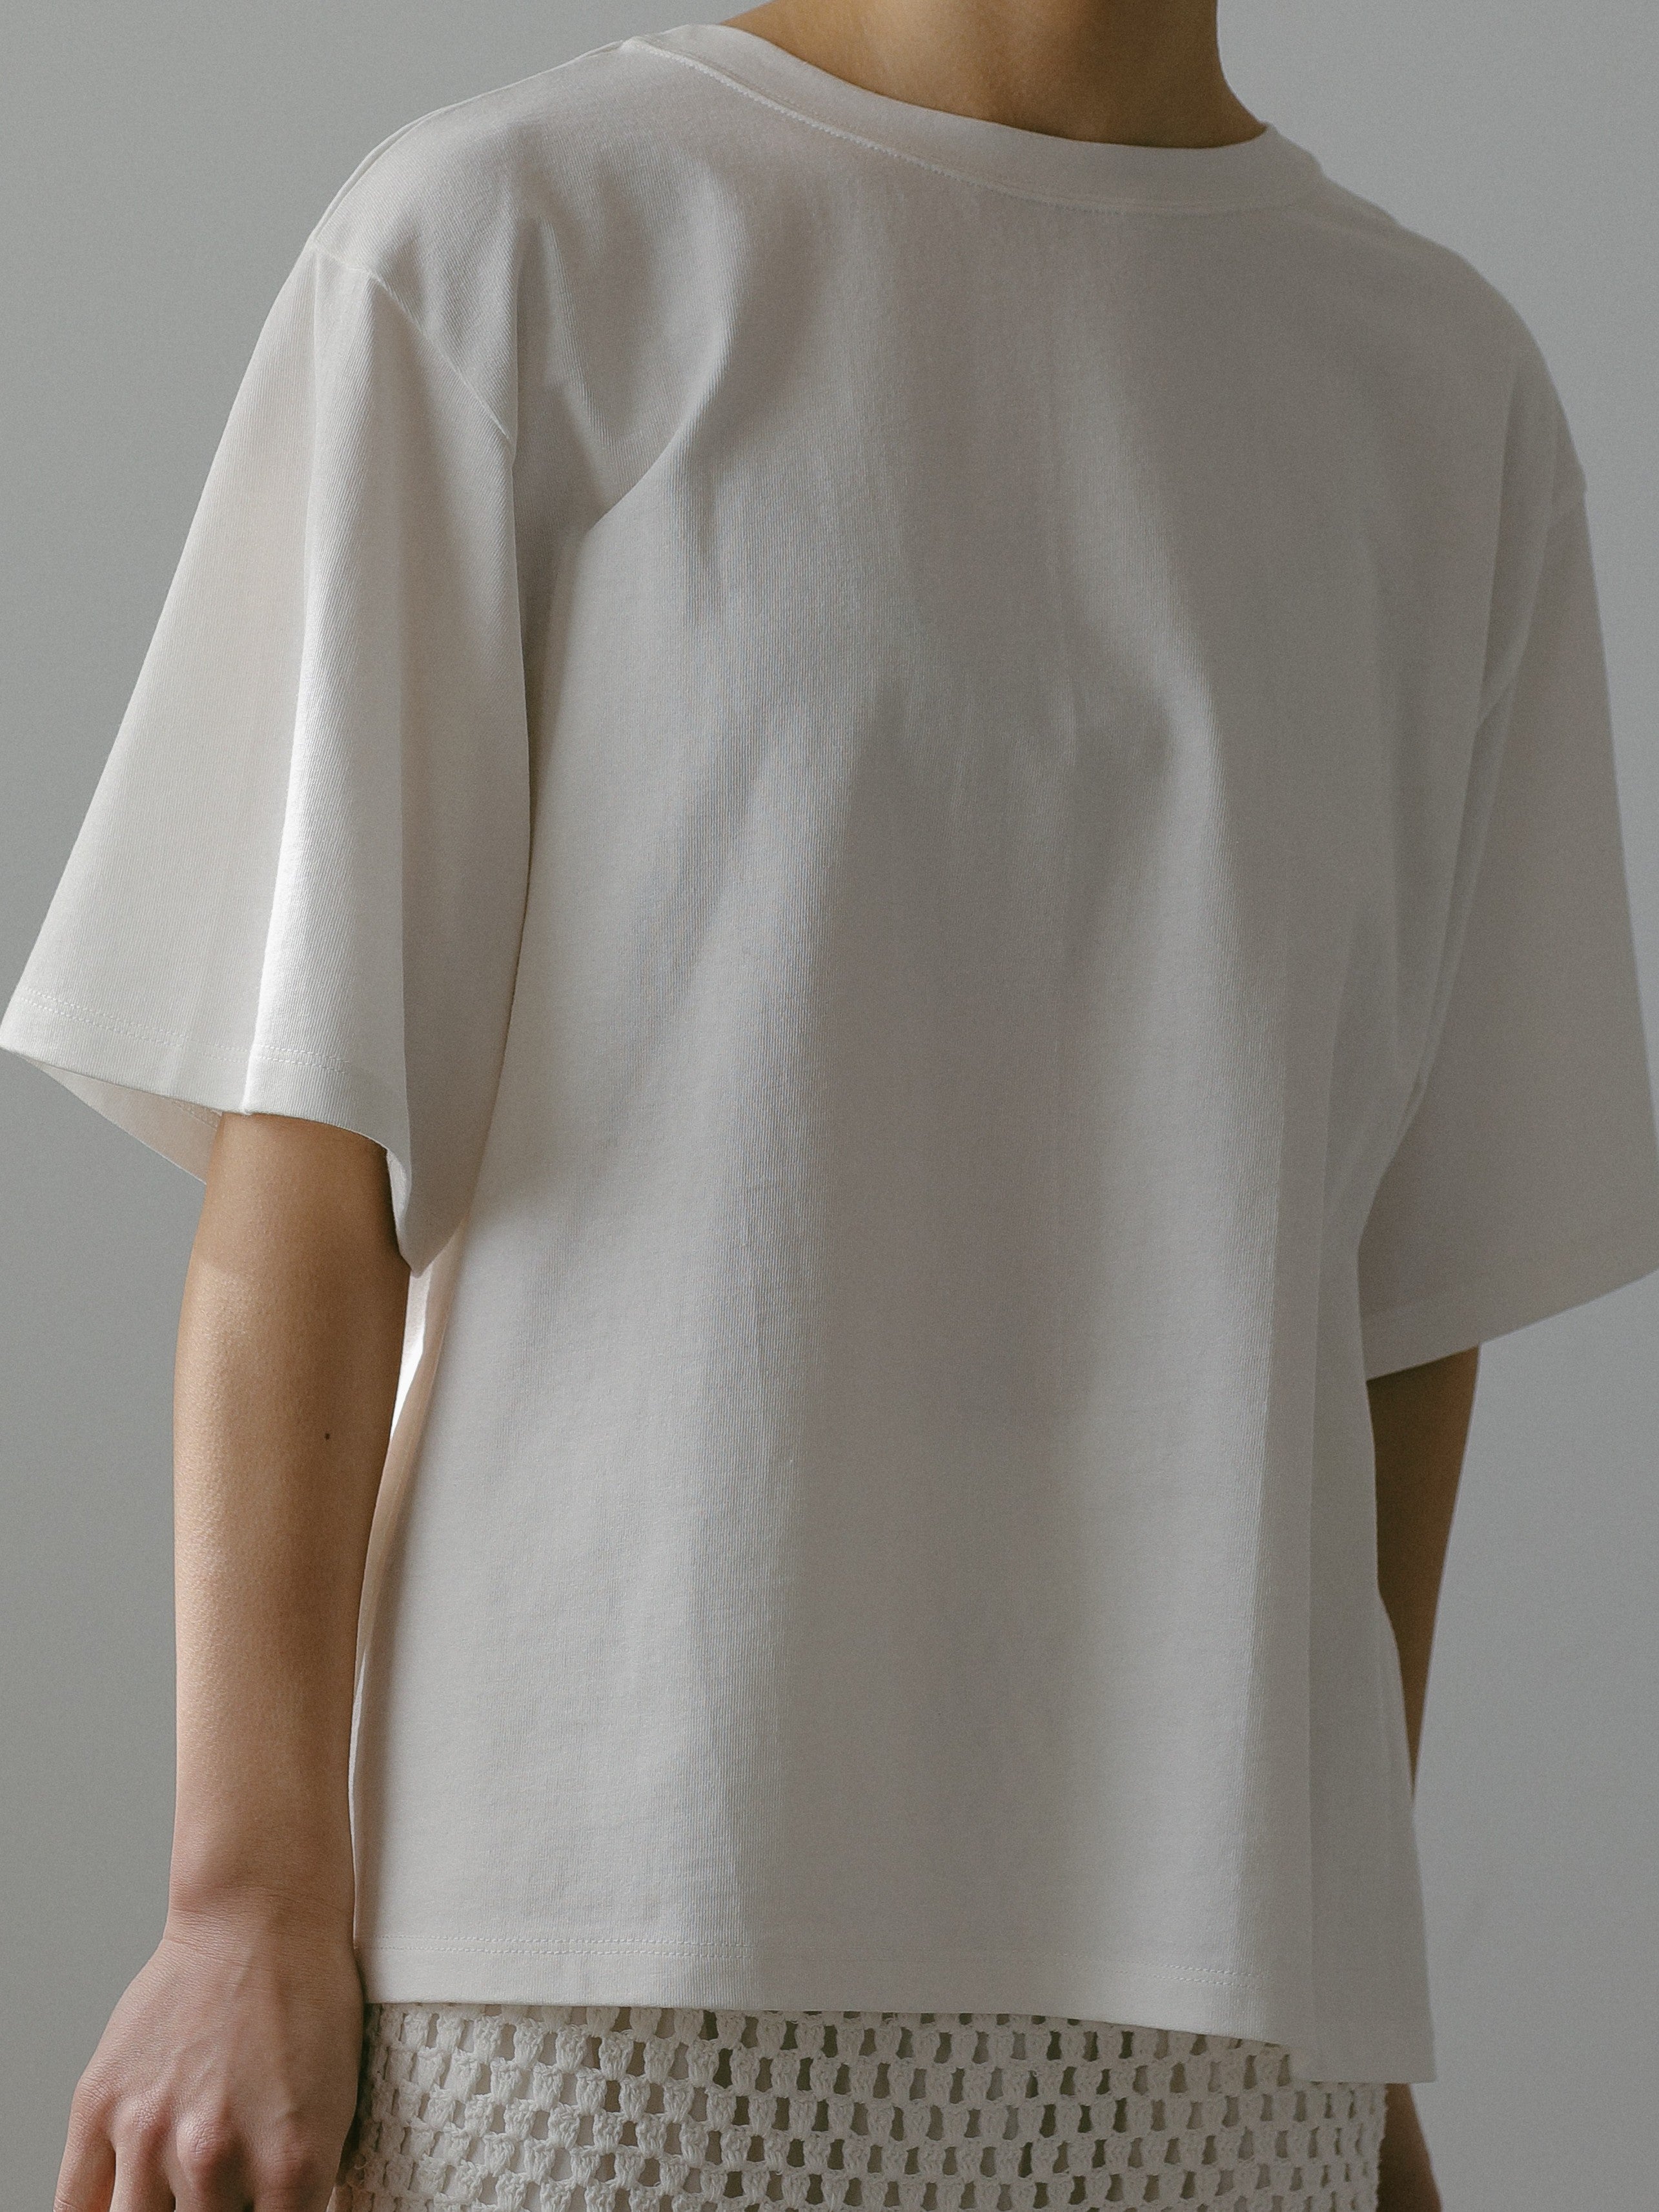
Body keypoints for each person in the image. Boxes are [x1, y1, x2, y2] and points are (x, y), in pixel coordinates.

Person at [7, 1, 1658, 2207]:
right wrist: (242, 1895)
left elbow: (1391, 1306)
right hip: (586, 1973)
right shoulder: (514, 247)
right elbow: (304, 1168)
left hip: (1204, 2056)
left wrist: (1343, 2006)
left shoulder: (1439, 393)